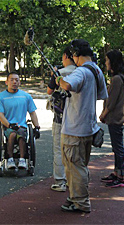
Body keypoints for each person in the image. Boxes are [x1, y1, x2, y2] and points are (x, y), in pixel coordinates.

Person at [56, 39, 108, 213]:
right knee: (79, 165)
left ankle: (81, 202)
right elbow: (102, 95)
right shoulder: (97, 70)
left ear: (77, 55)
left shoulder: (82, 72)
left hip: (74, 129)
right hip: (88, 128)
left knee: (74, 166)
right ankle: (75, 196)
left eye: (74, 57)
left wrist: (60, 80)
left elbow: (68, 85)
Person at [0, 71, 40, 169]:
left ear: (19, 83)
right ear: (6, 82)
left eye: (17, 80)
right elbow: (0, 114)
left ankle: (22, 160)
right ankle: (9, 159)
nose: (14, 82)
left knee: (21, 134)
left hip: (22, 126)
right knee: (13, 134)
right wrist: (9, 125)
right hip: (8, 126)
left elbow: (32, 112)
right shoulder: (0, 97)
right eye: (12, 80)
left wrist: (37, 127)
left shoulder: (26, 96)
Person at [47, 46, 76, 192]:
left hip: (59, 116)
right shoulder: (81, 72)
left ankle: (60, 181)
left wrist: (54, 74)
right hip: (76, 118)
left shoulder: (59, 73)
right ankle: (74, 181)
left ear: (65, 56)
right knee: (74, 150)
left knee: (59, 149)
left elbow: (49, 90)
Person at [99, 49, 124, 188]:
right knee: (116, 147)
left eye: (107, 60)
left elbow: (111, 102)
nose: (106, 63)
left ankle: (121, 176)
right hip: (117, 117)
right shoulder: (120, 78)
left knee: (118, 147)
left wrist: (103, 114)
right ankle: (117, 173)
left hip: (115, 118)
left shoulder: (117, 79)